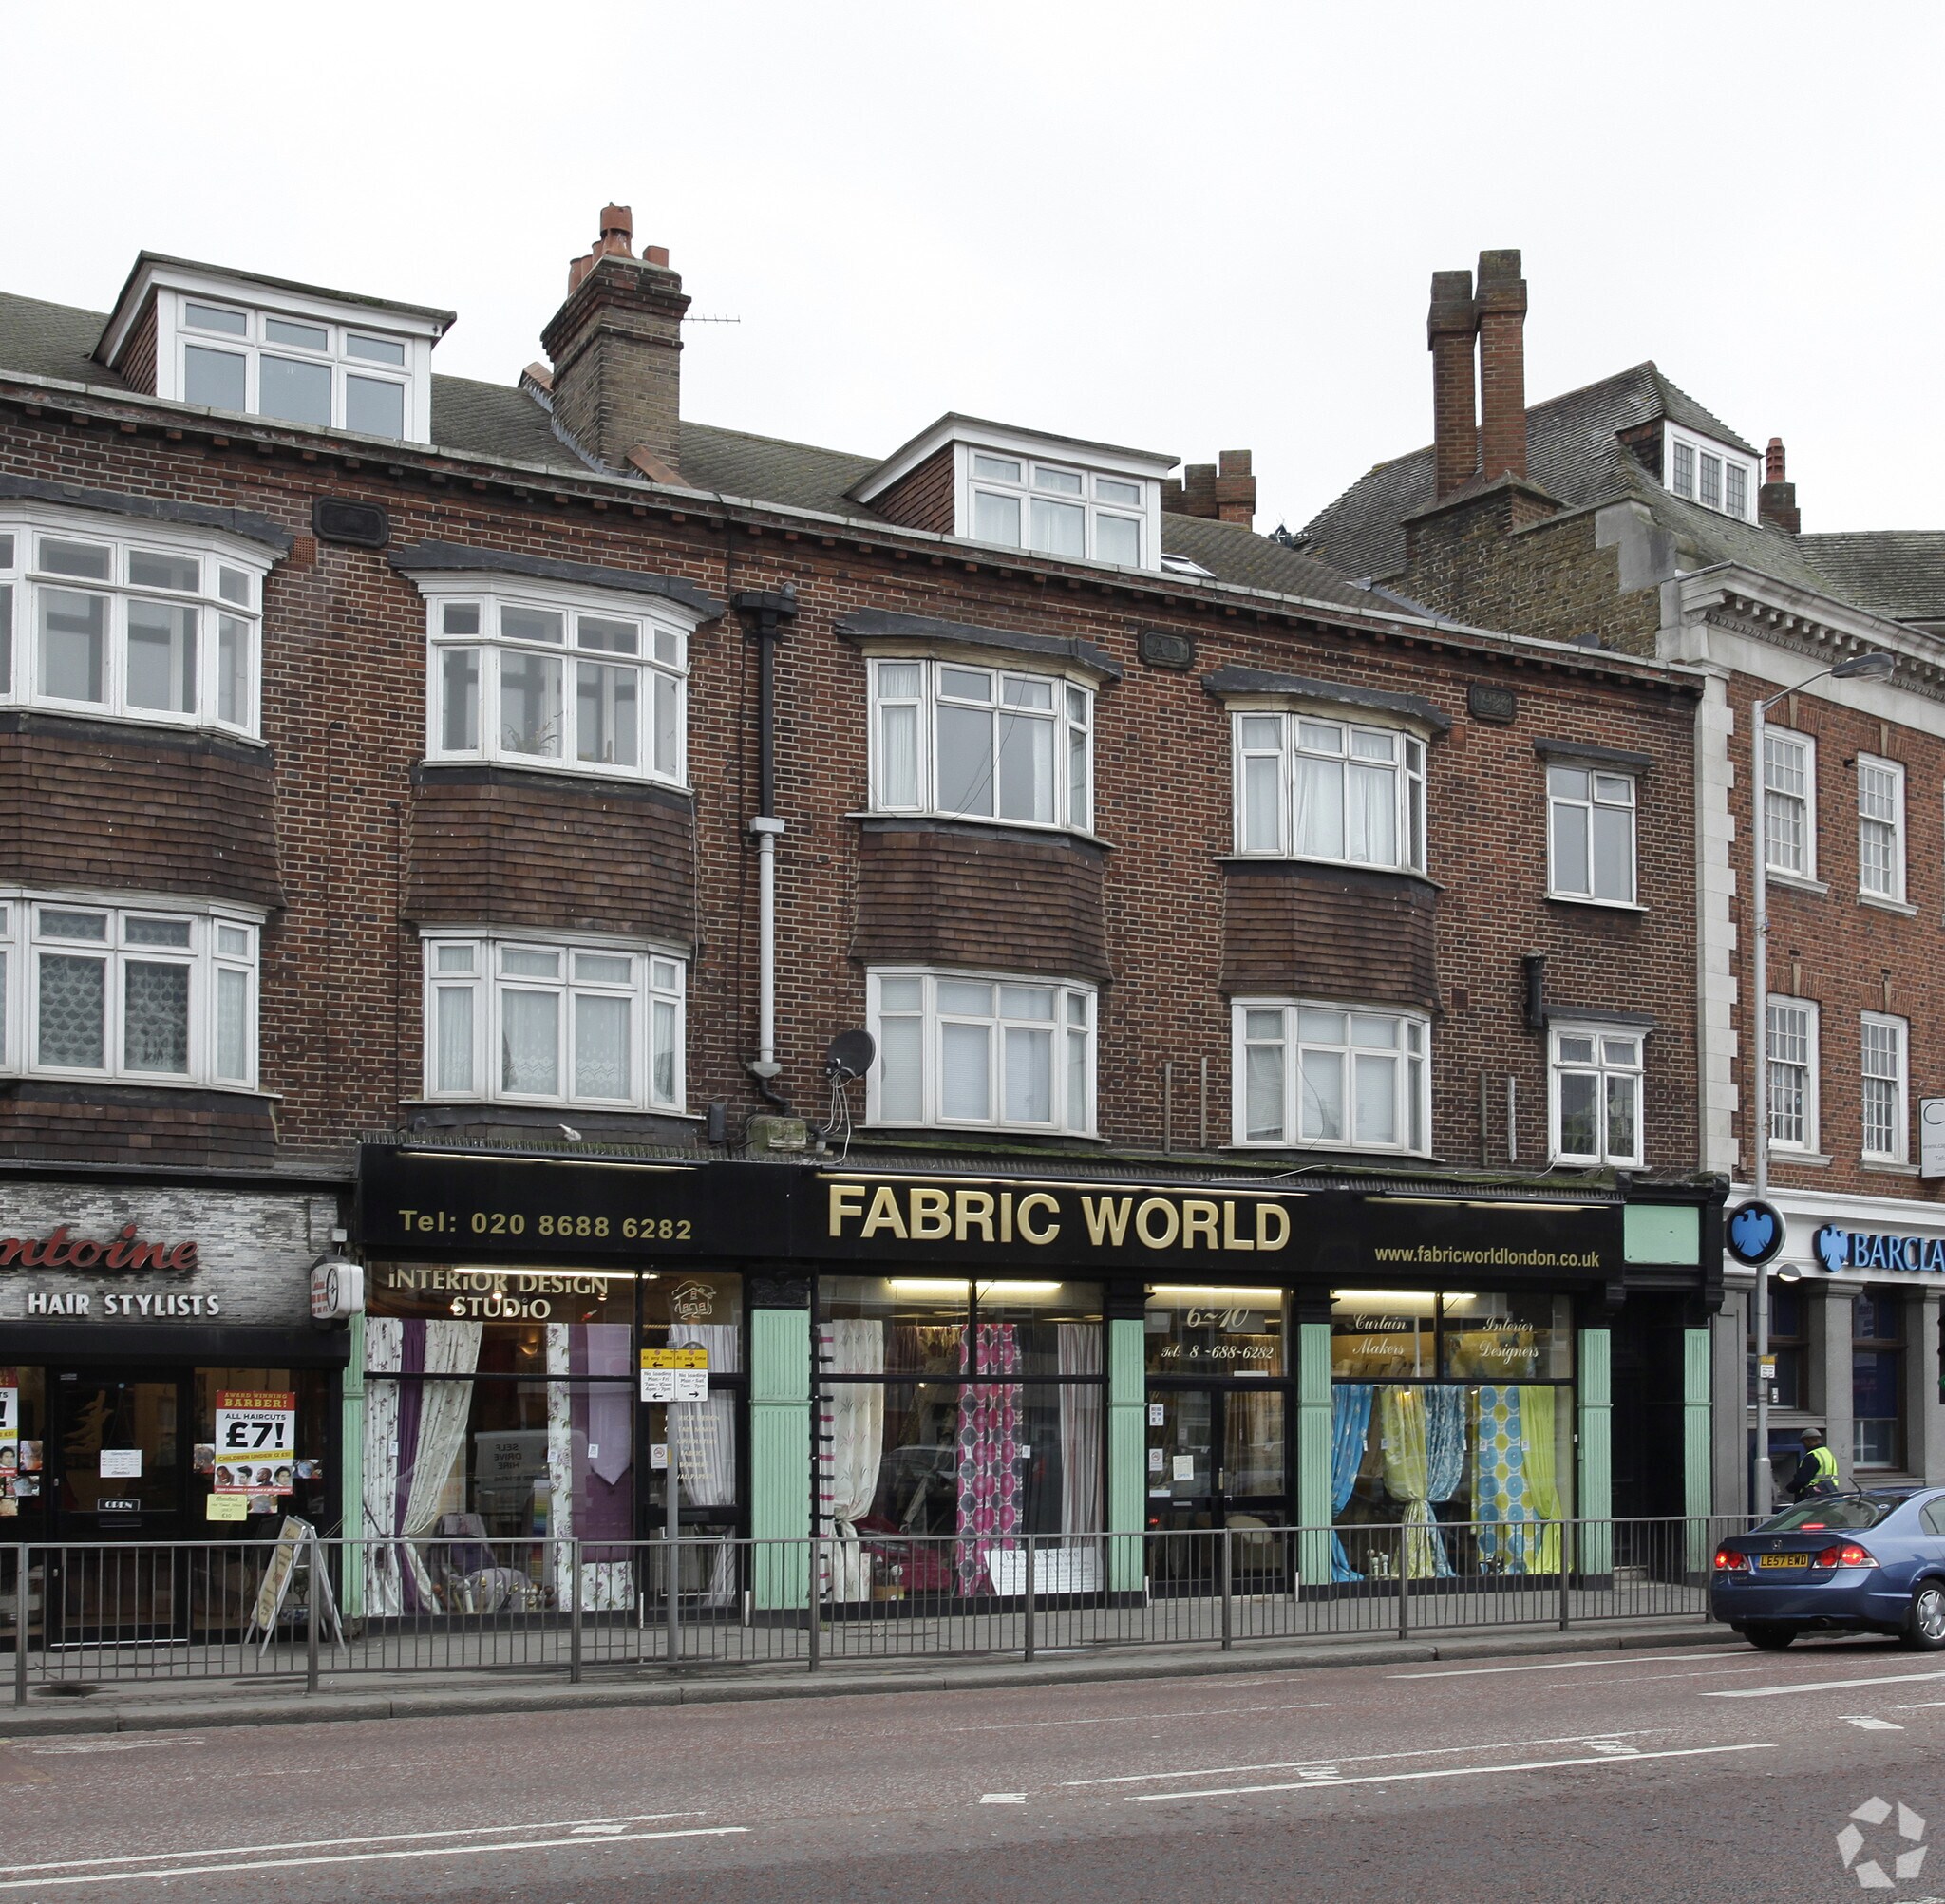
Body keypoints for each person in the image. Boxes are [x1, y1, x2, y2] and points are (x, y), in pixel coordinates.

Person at [1791, 1427, 1841, 1501]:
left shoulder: (1813, 1456)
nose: (1804, 1445)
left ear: (1808, 1440)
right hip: (1830, 1493)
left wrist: (1790, 1488)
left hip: (1814, 1495)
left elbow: (1802, 1479)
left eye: (1804, 1442)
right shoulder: (1828, 1454)